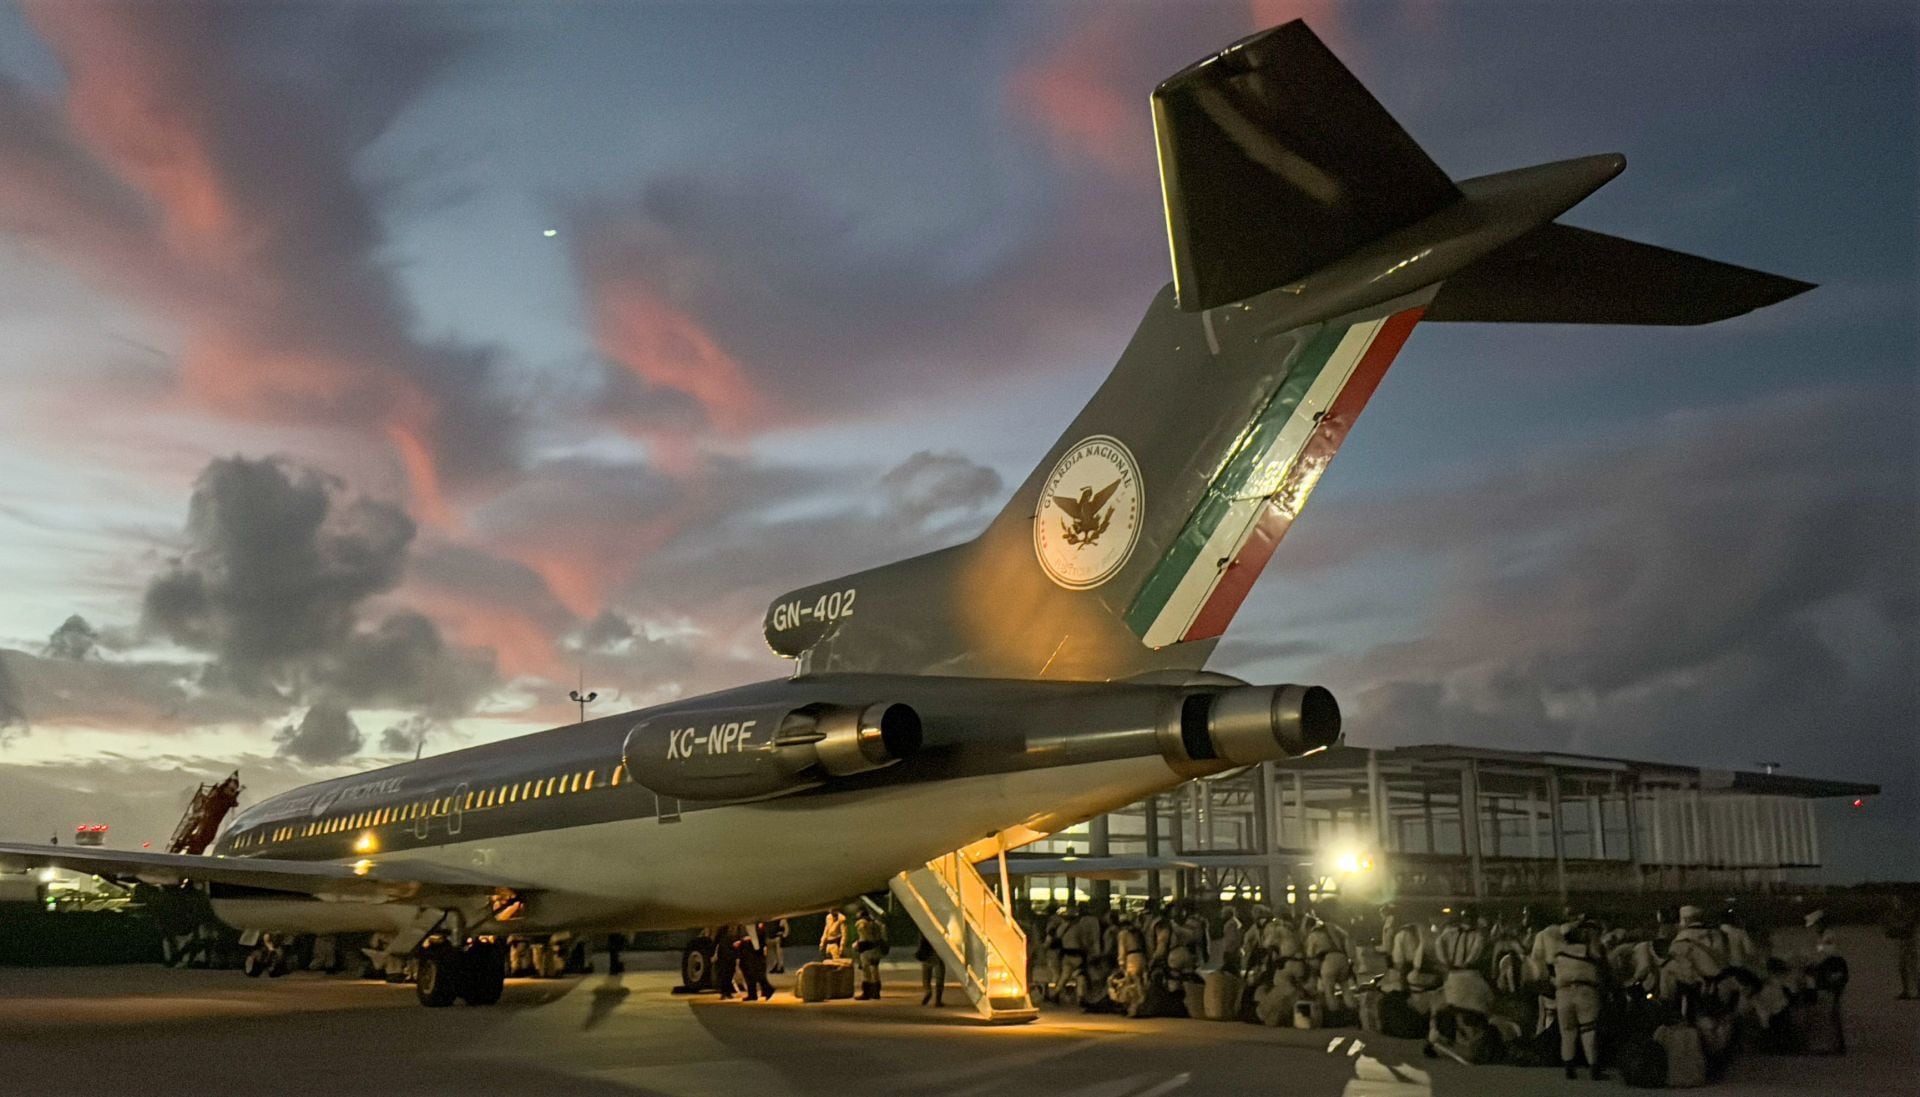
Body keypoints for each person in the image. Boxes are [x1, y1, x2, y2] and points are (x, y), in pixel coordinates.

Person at [1554, 920, 1606, 1081]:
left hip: (1563, 993)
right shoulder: (1589, 950)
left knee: (1567, 1031)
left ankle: (1569, 1067)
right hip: (1586, 991)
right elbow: (1602, 962)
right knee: (1588, 1030)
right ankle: (1594, 1068)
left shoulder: (1558, 954)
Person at [1884, 894, 1920, 1000]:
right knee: (1902, 967)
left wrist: (1894, 930)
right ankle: (1906, 991)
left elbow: (1907, 927)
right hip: (1903, 942)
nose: (1895, 903)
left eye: (1896, 901)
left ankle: (1917, 991)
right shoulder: (1897, 913)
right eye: (1894, 901)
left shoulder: (1909, 912)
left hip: (1909, 942)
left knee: (1913, 967)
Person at [853, 908, 888, 999]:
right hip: (876, 949)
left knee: (866, 971)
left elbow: (863, 937)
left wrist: (856, 945)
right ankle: (876, 992)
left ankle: (866, 993)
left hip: (866, 950)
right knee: (875, 971)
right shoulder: (876, 924)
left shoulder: (862, 924)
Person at [737, 923, 775, 1002]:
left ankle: (766, 989)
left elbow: (759, 936)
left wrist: (746, 940)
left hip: (751, 950)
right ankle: (754, 993)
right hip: (749, 950)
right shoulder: (750, 924)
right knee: (750, 971)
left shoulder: (755, 924)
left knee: (753, 971)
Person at [915, 932, 946, 1006]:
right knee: (939, 976)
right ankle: (938, 1000)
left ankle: (928, 991)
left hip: (926, 952)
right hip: (938, 952)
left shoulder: (924, 927)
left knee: (926, 975)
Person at [712, 924, 740, 1000]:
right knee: (725, 975)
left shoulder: (733, 932)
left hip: (729, 955)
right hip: (725, 956)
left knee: (728, 974)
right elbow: (715, 943)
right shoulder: (724, 931)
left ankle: (726, 992)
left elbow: (715, 943)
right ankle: (725, 992)